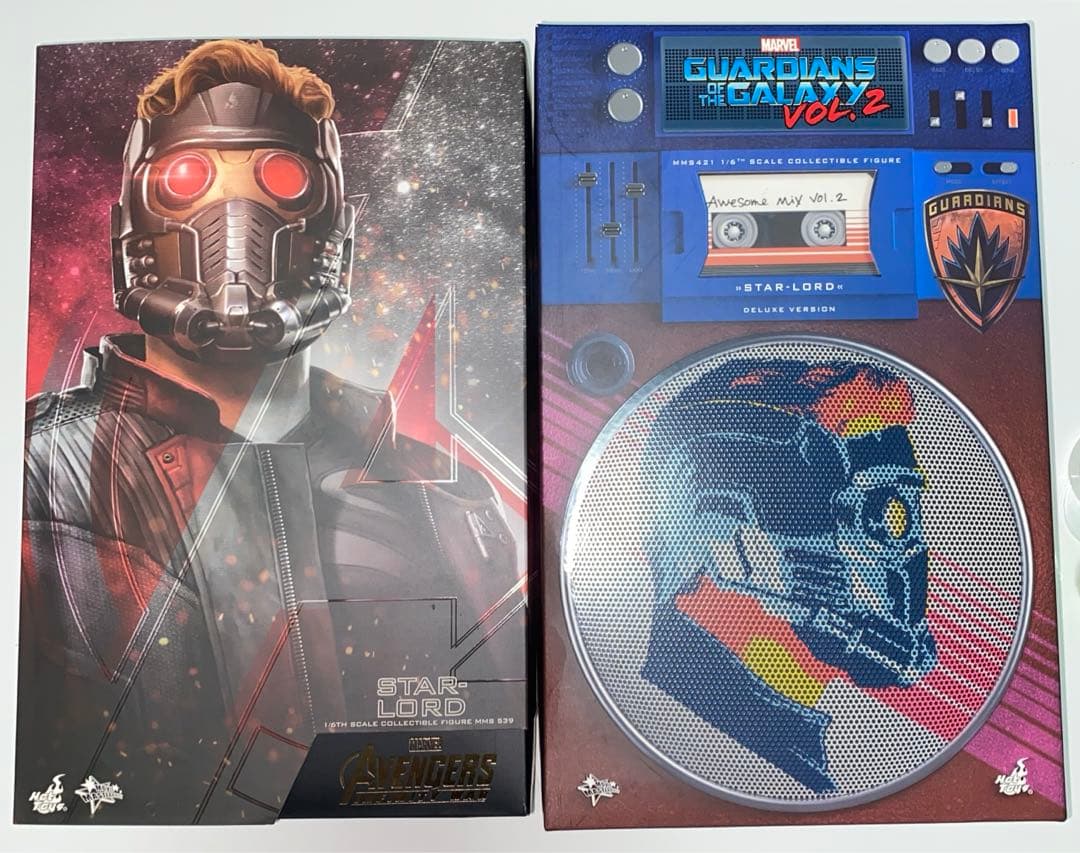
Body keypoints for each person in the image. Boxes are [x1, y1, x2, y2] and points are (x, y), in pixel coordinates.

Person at [18, 39, 518, 824]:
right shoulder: (32, 478)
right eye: (186, 179)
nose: (234, 222)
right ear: (132, 224)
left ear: (333, 227)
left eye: (281, 179)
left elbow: (487, 774)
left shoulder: (445, 500)